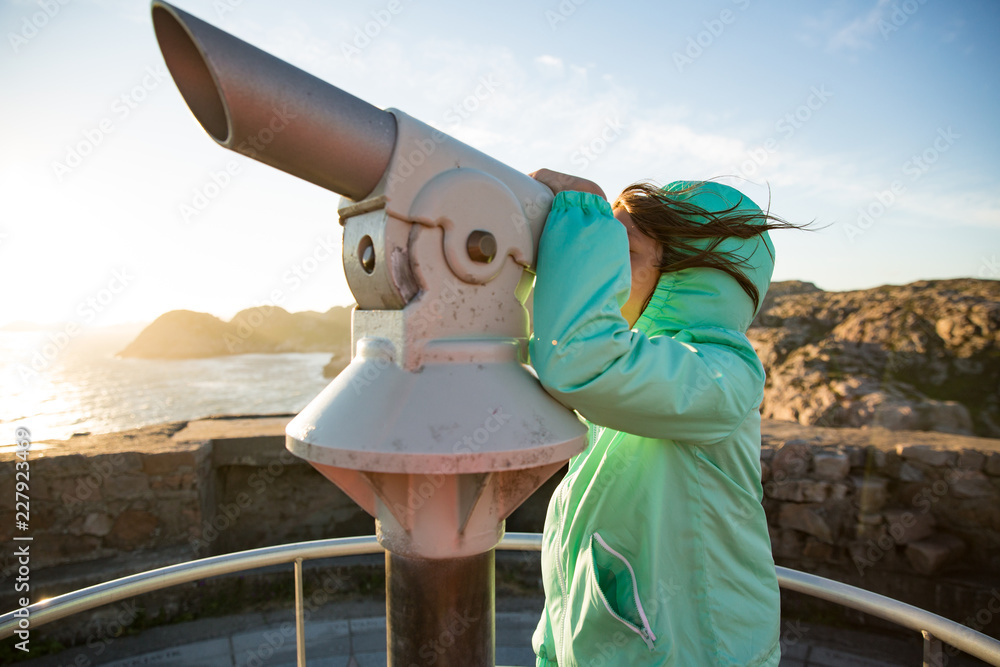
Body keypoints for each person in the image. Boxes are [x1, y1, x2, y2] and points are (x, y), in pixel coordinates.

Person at [527, 168, 799, 666]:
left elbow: (575, 361)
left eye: (622, 253)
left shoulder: (723, 374)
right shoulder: (637, 371)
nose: (605, 267)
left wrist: (581, 223)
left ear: (683, 277)